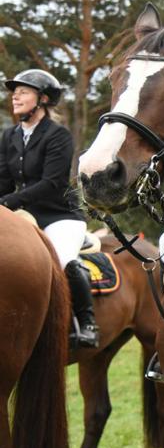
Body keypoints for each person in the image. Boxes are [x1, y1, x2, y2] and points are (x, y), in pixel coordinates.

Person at [0, 69, 99, 348]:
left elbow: (52, 183)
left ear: (42, 99)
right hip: (25, 213)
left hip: (60, 215)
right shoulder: (10, 136)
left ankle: (87, 321)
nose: (15, 95)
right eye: (14, 91)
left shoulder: (59, 136)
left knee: (62, 259)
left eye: (23, 91)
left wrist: (8, 202)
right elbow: (4, 181)